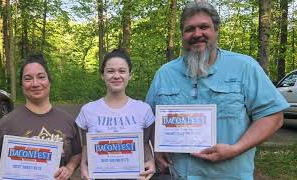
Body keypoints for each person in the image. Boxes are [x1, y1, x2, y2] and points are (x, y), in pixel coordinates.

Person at [145, 1, 289, 180]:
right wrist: (157, 148)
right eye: (190, 29)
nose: (197, 34)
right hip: (180, 175)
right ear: (182, 34)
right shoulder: (165, 74)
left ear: (216, 30)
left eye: (204, 27)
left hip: (231, 175)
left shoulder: (244, 67)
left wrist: (235, 149)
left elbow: (273, 116)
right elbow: (149, 119)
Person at [0, 54, 81, 180]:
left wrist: (69, 168)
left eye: (41, 77)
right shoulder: (7, 122)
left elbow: (77, 154)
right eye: (28, 79)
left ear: (49, 81)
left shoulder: (67, 120)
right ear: (21, 84)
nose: (35, 83)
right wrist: (5, 176)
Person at [75, 49, 155, 180]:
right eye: (110, 71)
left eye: (122, 71)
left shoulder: (143, 109)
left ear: (130, 75)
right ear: (102, 75)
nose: (116, 76)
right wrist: (83, 165)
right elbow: (86, 145)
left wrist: (151, 161)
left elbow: (145, 144)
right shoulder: (88, 110)